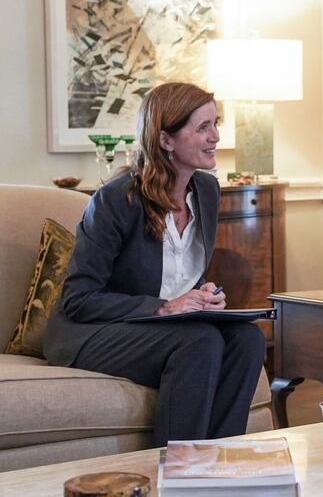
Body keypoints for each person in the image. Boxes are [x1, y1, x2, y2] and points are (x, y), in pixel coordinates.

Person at [43, 82, 265, 447]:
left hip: (165, 326)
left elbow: (176, 271)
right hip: (94, 332)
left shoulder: (206, 190)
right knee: (200, 340)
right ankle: (177, 469)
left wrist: (201, 295)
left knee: (248, 339)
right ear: (165, 140)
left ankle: (217, 462)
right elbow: (79, 299)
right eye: (203, 127)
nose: (216, 137)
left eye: (216, 123)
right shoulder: (116, 200)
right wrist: (163, 307)